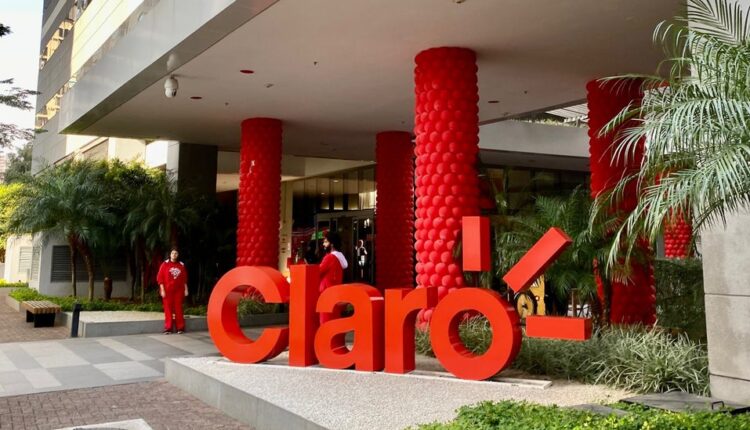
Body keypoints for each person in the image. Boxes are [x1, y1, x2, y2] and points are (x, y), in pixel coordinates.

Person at [156, 248, 188, 334]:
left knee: (178, 308)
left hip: (179, 291)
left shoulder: (181, 265)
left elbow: (184, 279)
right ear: (170, 255)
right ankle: (168, 328)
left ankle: (180, 328)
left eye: (176, 253)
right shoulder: (165, 264)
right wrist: (162, 290)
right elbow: (160, 278)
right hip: (167, 290)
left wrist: (186, 289)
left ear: (178, 255)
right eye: (172, 253)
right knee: (168, 309)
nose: (174, 255)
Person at [318, 232, 348, 324]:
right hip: (335, 292)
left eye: (326, 242)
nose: (323, 244)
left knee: (325, 321)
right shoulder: (339, 258)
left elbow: (318, 271)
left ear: (332, 244)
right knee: (334, 319)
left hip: (326, 292)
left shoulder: (329, 257)